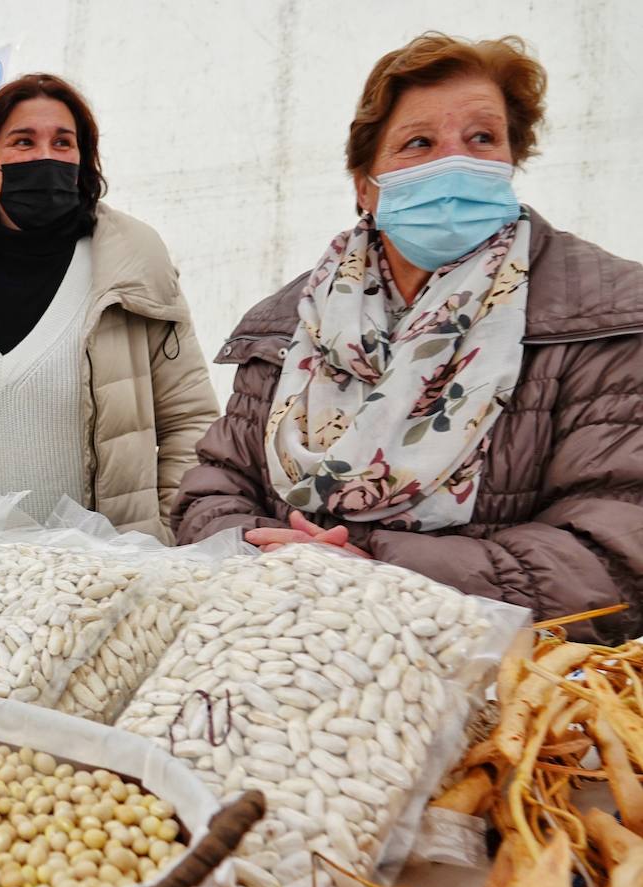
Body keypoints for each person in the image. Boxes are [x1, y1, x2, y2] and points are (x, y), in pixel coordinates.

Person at [170, 34, 643, 642]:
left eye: (481, 139)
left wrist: (374, 571)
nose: (454, 165)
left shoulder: (603, 315)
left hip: (492, 681)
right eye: (419, 143)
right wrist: (257, 551)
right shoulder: (288, 323)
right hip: (282, 646)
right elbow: (213, 488)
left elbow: (615, 550)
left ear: (510, 161)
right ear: (365, 186)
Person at [0, 74, 218, 542]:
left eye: (63, 142)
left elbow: (190, 422)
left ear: (82, 162)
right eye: (23, 142)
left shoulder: (133, 267)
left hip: (97, 584)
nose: (45, 157)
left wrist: (157, 539)